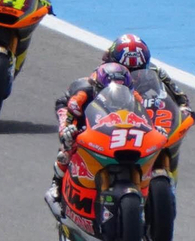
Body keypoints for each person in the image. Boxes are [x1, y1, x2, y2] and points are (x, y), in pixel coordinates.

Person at [46, 62, 134, 201]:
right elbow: (69, 115)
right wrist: (67, 129)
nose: (116, 96)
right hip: (75, 113)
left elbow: (145, 113)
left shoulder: (134, 96)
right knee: (69, 141)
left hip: (112, 119)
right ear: (98, 88)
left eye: (122, 90)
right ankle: (56, 182)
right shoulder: (81, 96)